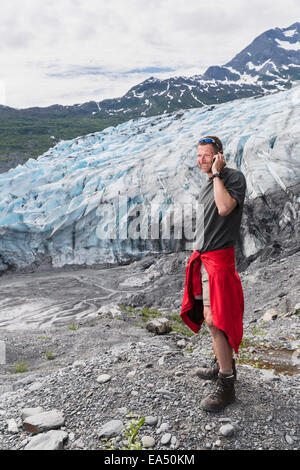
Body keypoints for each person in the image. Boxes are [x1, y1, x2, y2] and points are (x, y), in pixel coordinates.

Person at [180, 135, 247, 412]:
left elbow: (224, 209)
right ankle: (222, 364)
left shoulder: (232, 178)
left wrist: (218, 174)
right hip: (205, 259)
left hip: (220, 260)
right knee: (211, 319)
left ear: (219, 155)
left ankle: (227, 383)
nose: (202, 160)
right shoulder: (209, 184)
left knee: (216, 320)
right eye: (198, 156)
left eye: (207, 155)